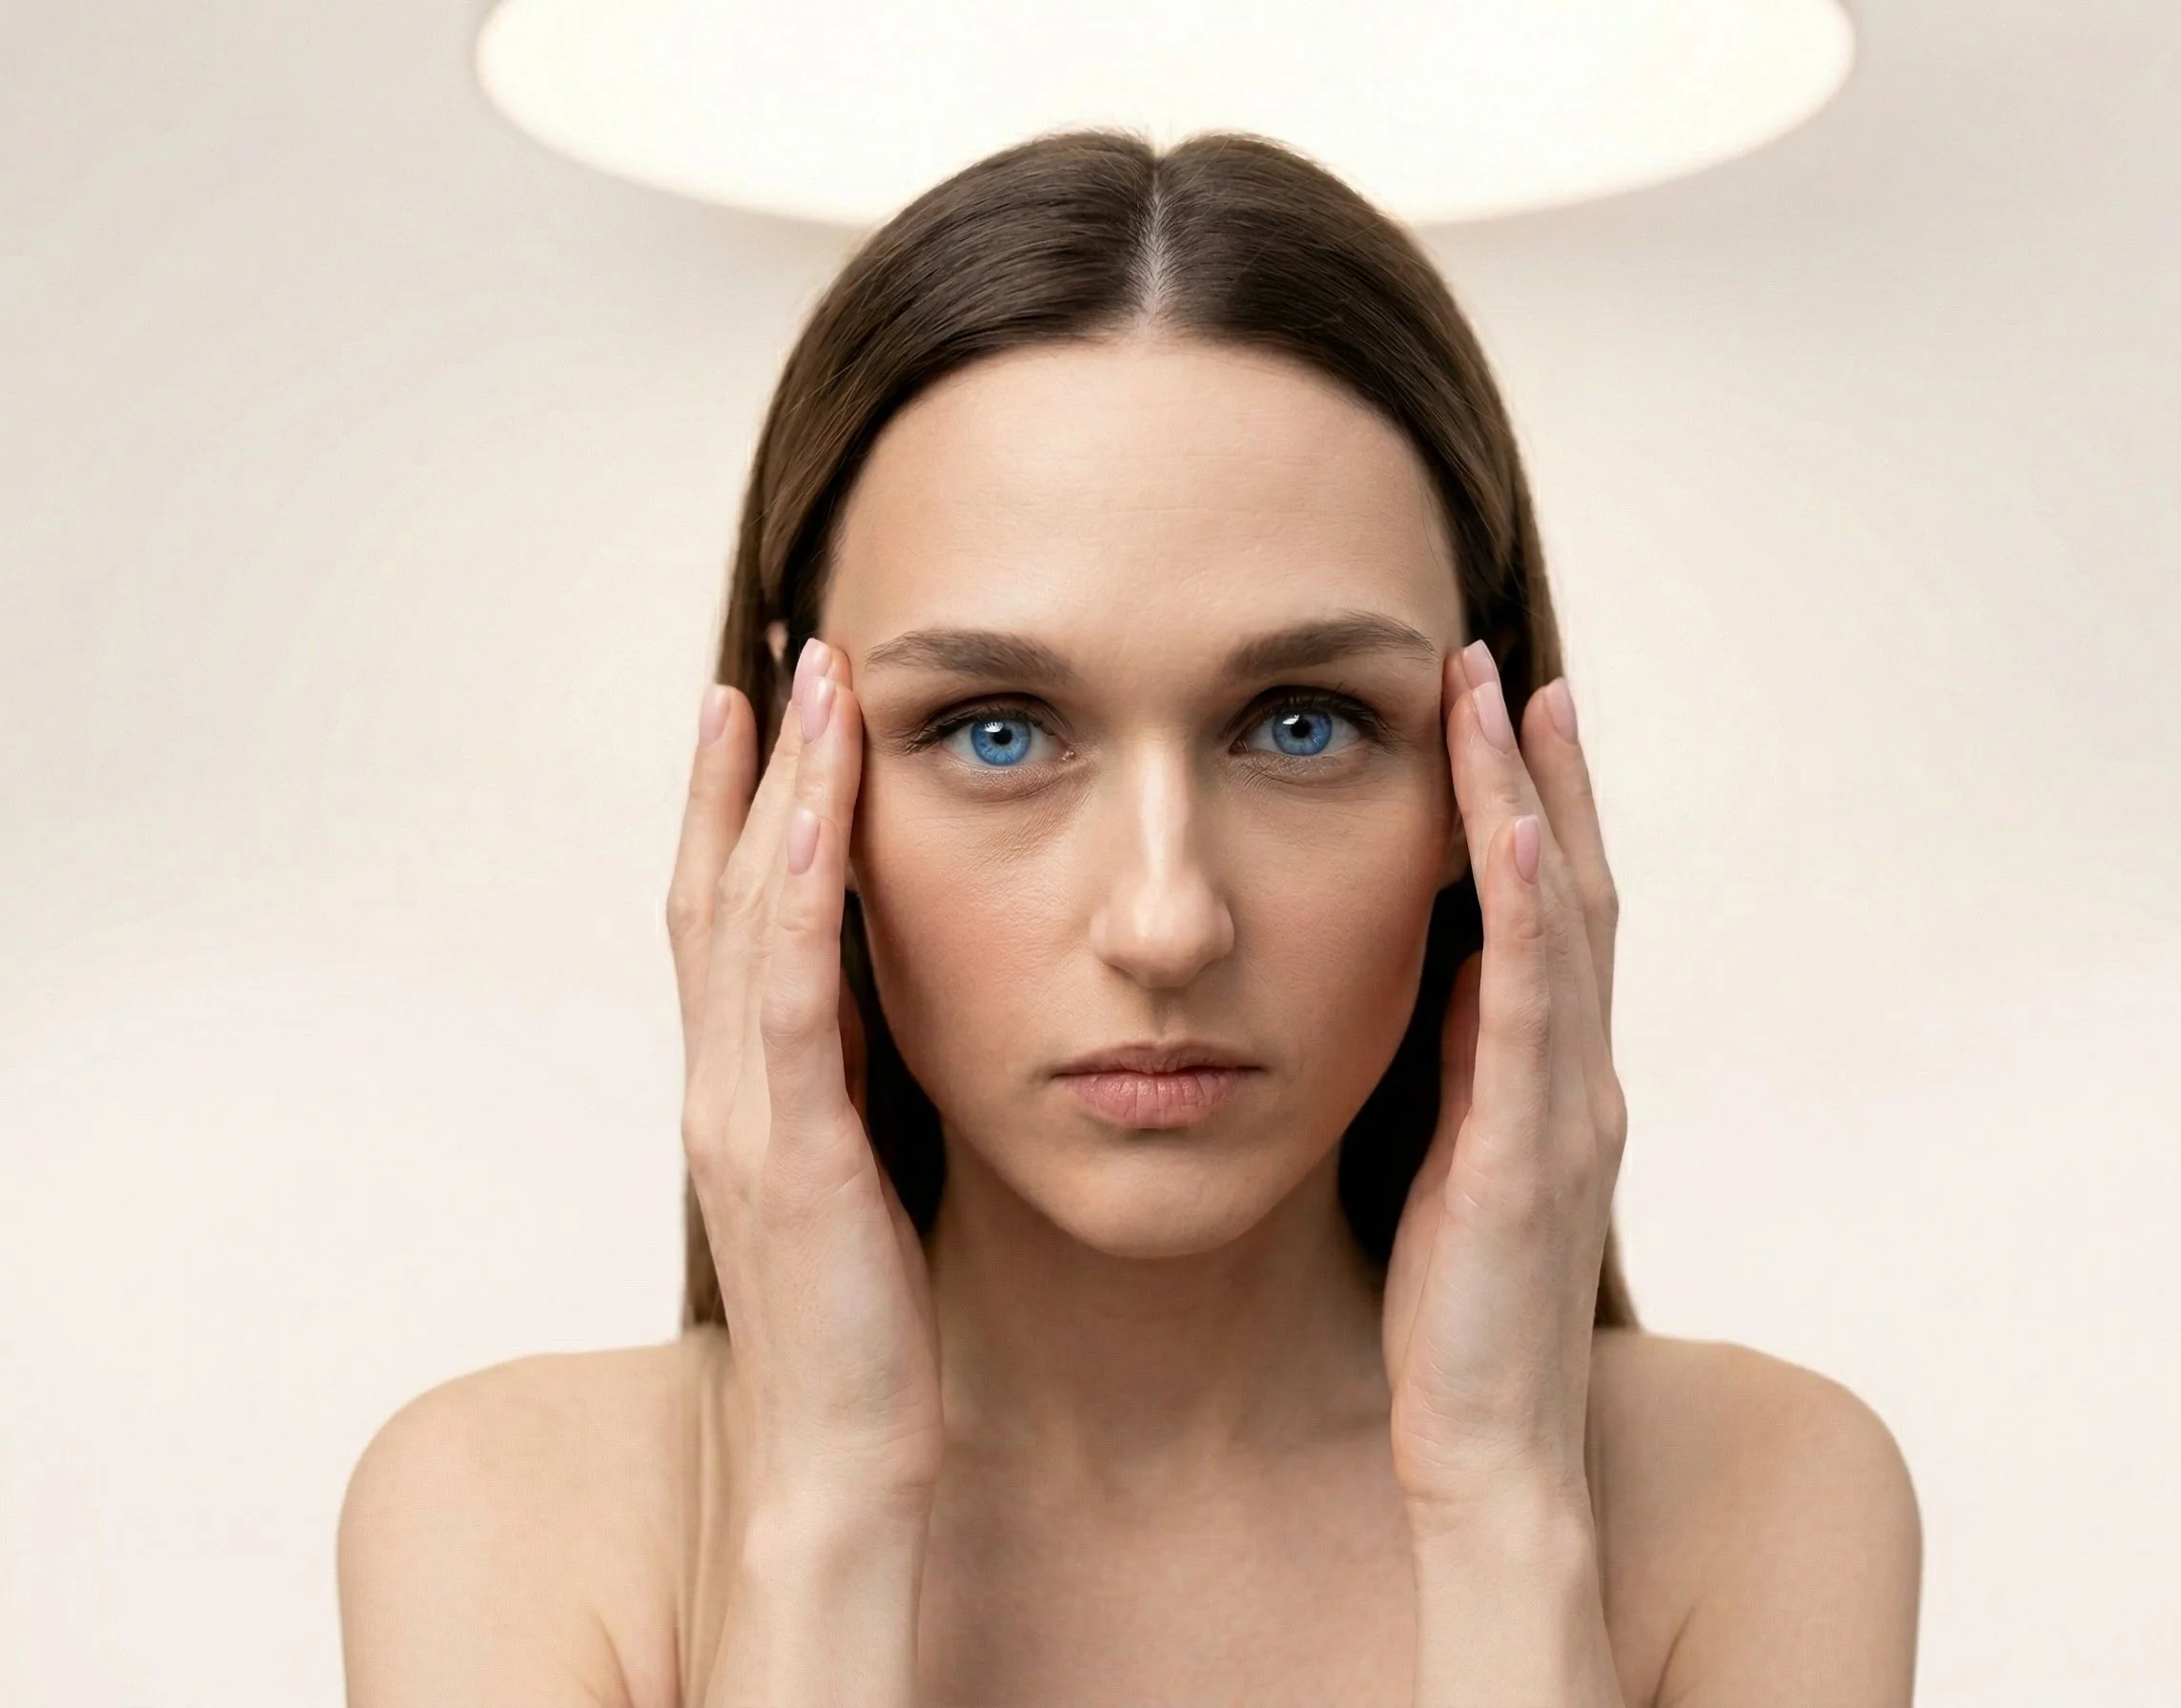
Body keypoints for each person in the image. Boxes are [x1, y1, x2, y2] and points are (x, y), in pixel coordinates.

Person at [336, 129, 1922, 1706]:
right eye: (996, 732)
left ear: (1475, 775)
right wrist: (825, 1505)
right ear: (792, 785)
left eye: (1302, 724)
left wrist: (1504, 1500)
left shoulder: (1761, 1497)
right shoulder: (505, 1516)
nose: (1167, 926)